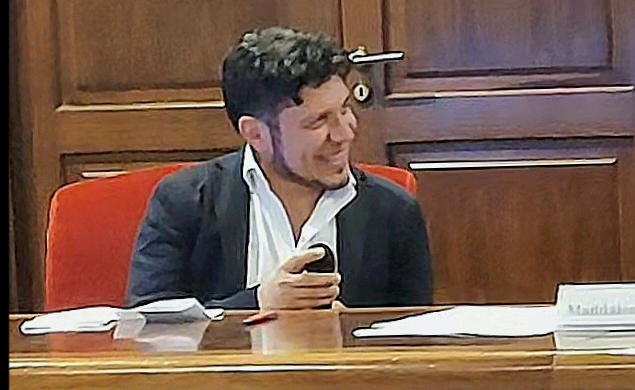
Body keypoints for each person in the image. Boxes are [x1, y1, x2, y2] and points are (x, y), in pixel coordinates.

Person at [126, 27, 434, 309]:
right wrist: (259, 303)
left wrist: (348, 332)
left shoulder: (394, 211)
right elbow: (148, 325)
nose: (344, 133)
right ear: (256, 134)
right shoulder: (184, 201)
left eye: (344, 109)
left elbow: (411, 337)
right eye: (318, 121)